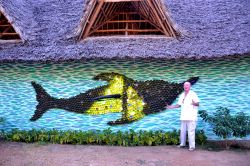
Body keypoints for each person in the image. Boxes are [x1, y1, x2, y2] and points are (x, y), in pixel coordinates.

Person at [166, 81, 200, 151]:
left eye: (187, 85)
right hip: (183, 116)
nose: (186, 86)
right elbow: (178, 105)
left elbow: (198, 104)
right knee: (183, 131)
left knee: (191, 131)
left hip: (191, 116)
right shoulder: (182, 95)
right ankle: (182, 144)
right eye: (184, 85)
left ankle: (192, 146)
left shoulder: (193, 94)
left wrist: (194, 103)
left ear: (190, 86)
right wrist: (171, 107)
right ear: (183, 86)